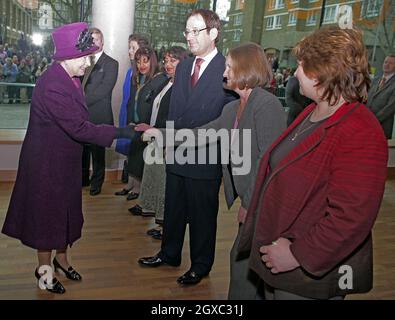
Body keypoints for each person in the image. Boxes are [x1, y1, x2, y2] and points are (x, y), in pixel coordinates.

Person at [236, 27, 388, 300]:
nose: (294, 73)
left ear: (323, 71)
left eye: (301, 65)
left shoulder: (360, 129)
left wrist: (297, 254)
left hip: (305, 271)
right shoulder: (311, 111)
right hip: (277, 253)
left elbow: (351, 218)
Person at [137, 43, 287, 297]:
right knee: (242, 261)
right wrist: (159, 134)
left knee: (246, 263)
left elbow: (270, 161)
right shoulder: (233, 108)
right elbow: (200, 135)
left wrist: (249, 203)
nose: (224, 72)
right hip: (249, 196)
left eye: (229, 66)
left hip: (263, 201)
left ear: (245, 69)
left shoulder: (266, 104)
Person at [1, 22, 134, 294]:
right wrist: (124, 132)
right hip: (47, 166)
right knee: (47, 220)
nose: (89, 62)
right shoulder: (53, 85)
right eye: (86, 57)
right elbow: (80, 128)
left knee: (66, 215)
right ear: (69, 57)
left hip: (64, 162)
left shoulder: (70, 78)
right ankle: (44, 271)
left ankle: (62, 261)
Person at [138, 9, 236, 286]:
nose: (189, 37)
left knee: (203, 216)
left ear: (213, 34)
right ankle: (169, 253)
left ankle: (201, 265)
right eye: (187, 31)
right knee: (174, 209)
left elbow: (225, 119)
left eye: (196, 31)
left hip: (205, 155)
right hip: (178, 150)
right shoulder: (183, 67)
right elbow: (174, 111)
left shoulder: (226, 69)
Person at [115, 46, 161, 200]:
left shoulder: (157, 79)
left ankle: (138, 189)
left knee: (141, 159)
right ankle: (132, 185)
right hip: (134, 123)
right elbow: (130, 102)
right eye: (138, 62)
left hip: (146, 126)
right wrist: (130, 120)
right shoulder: (137, 78)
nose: (142, 65)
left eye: (145, 61)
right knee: (133, 156)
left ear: (152, 62)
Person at [81, 27, 119, 195]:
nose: (93, 43)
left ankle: (97, 183)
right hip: (82, 115)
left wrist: (79, 101)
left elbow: (104, 90)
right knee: (82, 150)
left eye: (96, 39)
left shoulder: (111, 63)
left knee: (98, 153)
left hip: (99, 114)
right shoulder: (82, 60)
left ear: (102, 42)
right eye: (90, 40)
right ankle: (82, 180)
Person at [114, 34, 149, 186]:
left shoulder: (145, 74)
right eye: (129, 47)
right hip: (126, 114)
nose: (130, 51)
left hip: (137, 118)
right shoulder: (130, 72)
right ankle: (129, 184)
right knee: (128, 149)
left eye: (133, 48)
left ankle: (136, 187)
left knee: (136, 152)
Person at [366, 54, 395, 139]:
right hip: (366, 124)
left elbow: (389, 108)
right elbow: (366, 99)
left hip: (382, 128)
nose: (387, 64)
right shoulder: (375, 80)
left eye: (391, 63)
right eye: (385, 62)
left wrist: (372, 120)